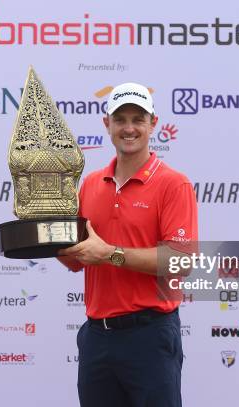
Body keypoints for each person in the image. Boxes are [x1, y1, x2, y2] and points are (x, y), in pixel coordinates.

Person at [58, 82, 198, 407]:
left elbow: (182, 262)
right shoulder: (92, 183)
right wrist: (44, 230)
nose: (129, 128)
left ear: (153, 124)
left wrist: (109, 254)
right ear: (107, 124)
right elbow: (75, 260)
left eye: (138, 119)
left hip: (149, 335)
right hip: (97, 337)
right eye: (120, 120)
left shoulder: (173, 184)